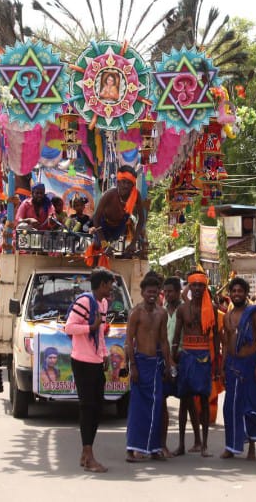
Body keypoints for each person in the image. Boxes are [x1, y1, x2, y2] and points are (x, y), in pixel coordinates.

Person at [64, 268, 114, 473]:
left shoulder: (103, 304)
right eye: (110, 284)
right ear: (102, 285)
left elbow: (101, 334)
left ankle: (86, 453)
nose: (111, 288)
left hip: (95, 361)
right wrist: (89, 328)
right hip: (82, 361)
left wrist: (104, 354)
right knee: (88, 407)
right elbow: (68, 327)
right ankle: (88, 453)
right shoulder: (84, 302)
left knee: (97, 407)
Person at [172, 271, 220, 457]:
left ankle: (204, 446)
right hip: (186, 356)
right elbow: (177, 335)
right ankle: (182, 444)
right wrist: (174, 355)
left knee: (204, 400)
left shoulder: (212, 309)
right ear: (189, 287)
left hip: (204, 357)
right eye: (194, 285)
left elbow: (215, 336)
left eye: (201, 285)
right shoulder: (183, 309)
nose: (198, 288)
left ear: (205, 287)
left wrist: (216, 362)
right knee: (185, 400)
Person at [125, 274, 171, 462]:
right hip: (140, 362)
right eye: (149, 291)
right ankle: (133, 448)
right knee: (138, 408)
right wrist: (133, 366)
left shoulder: (162, 313)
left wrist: (168, 364)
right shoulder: (136, 313)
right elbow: (129, 340)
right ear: (143, 292)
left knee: (156, 405)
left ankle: (154, 448)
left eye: (155, 291)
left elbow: (163, 340)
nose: (152, 294)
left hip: (156, 364)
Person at [220, 278, 256, 459]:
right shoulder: (226, 316)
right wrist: (223, 367)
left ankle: (252, 448)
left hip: (250, 363)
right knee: (230, 407)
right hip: (232, 364)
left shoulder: (253, 313)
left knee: (250, 405)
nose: (237, 294)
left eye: (240, 291)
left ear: (246, 293)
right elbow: (225, 344)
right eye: (234, 291)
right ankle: (231, 446)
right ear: (230, 294)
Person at [160, 276, 201, 457]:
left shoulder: (185, 309)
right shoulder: (161, 310)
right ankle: (163, 443)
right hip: (165, 359)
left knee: (188, 401)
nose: (168, 294)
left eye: (171, 291)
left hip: (183, 358)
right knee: (162, 400)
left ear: (178, 292)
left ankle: (195, 441)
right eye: (166, 291)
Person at [92, 166, 145, 256]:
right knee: (97, 246)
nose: (126, 186)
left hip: (120, 226)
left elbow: (141, 219)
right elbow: (96, 218)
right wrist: (103, 243)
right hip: (104, 224)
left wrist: (133, 243)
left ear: (133, 185)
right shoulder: (109, 195)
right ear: (118, 182)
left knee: (118, 249)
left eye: (129, 183)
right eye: (123, 182)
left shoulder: (136, 195)